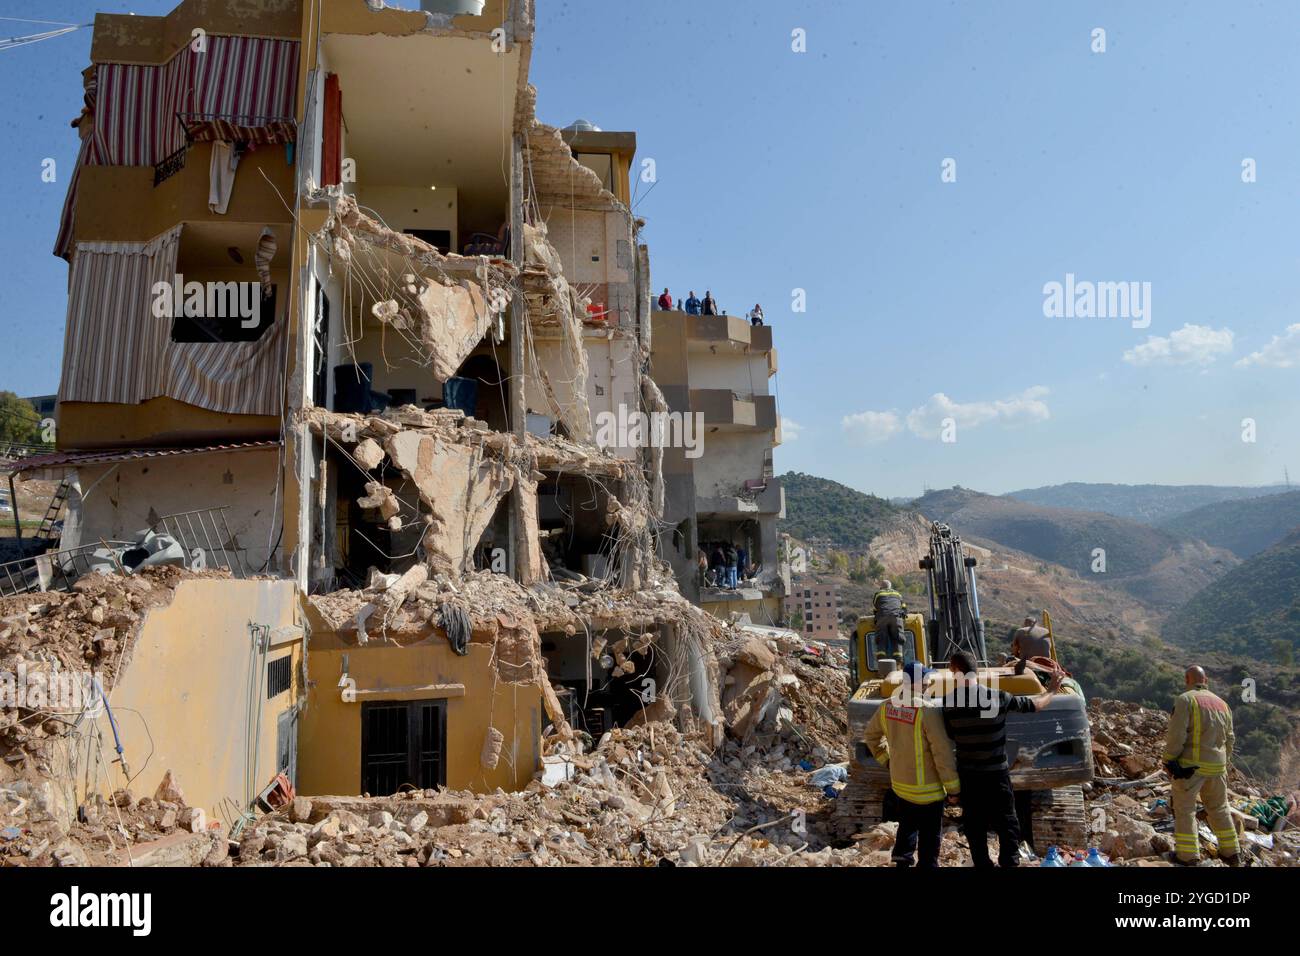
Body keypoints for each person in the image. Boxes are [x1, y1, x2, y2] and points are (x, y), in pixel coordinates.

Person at [942, 651, 1059, 868]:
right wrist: (1052, 689)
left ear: (956, 671)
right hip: (997, 775)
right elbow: (1036, 705)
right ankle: (1009, 863)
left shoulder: (948, 704)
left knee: (974, 826)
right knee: (1007, 823)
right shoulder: (998, 697)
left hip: (969, 777)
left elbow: (950, 735)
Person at [863, 661, 961, 868]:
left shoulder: (887, 706)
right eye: (927, 679)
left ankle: (902, 861)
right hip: (929, 790)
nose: (930, 682)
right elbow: (941, 752)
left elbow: (871, 737)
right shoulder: (928, 710)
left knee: (906, 827)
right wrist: (953, 788)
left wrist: (887, 761)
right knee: (929, 835)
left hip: (901, 786)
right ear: (920, 683)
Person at [1163, 666, 1239, 866]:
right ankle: (1231, 853)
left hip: (1191, 768)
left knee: (1185, 809)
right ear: (1206, 680)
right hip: (1217, 767)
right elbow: (1230, 739)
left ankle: (1187, 857)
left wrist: (1169, 759)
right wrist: (1223, 761)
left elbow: (1177, 734)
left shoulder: (1186, 699)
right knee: (1219, 808)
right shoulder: (1223, 704)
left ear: (1187, 678)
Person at [872, 580, 906, 659]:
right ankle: (898, 656)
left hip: (882, 617)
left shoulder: (878, 594)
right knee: (898, 637)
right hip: (896, 617)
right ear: (890, 587)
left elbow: (875, 605)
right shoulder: (897, 594)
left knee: (881, 637)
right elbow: (903, 606)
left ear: (881, 587)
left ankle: (881, 655)